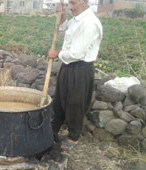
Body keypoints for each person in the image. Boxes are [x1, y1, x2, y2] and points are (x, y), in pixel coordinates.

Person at [48, 0, 103, 148]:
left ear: (84, 2)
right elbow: (68, 30)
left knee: (75, 104)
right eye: (69, 3)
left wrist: (57, 53)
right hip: (68, 66)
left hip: (80, 69)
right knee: (59, 100)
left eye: (73, 3)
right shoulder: (77, 20)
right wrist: (64, 18)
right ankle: (52, 130)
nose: (70, 7)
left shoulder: (90, 23)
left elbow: (76, 53)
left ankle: (73, 137)